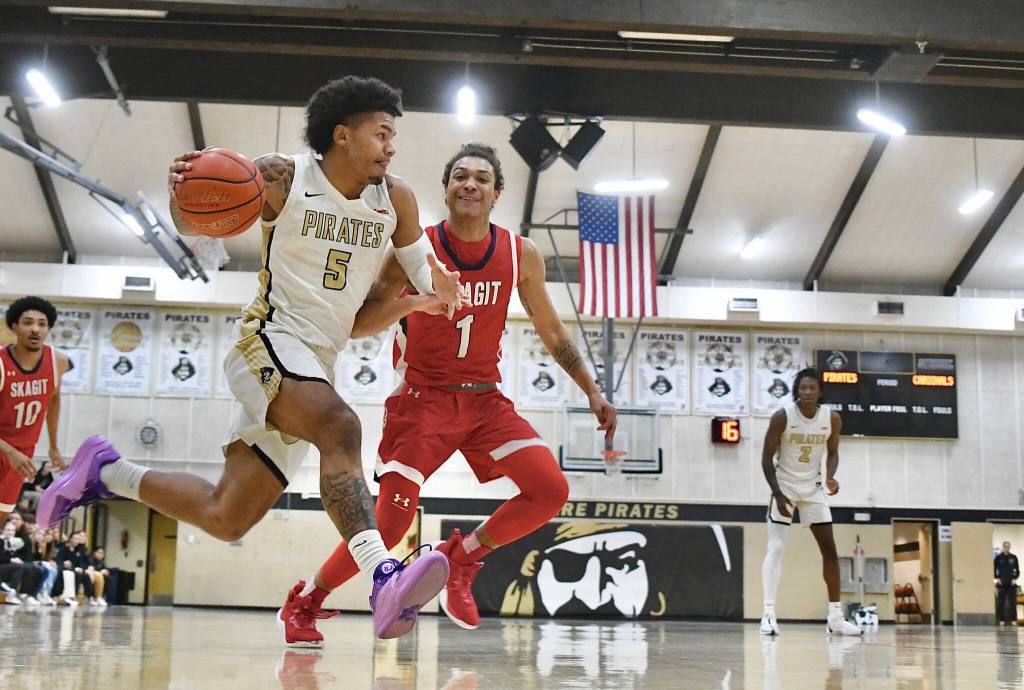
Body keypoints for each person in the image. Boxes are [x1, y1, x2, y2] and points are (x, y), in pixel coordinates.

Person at [39, 75, 463, 640]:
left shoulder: (397, 199)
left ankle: (106, 469)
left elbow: (409, 273)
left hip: (315, 364)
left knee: (226, 515)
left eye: (393, 135)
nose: (392, 146)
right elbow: (195, 221)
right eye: (382, 133)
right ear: (342, 135)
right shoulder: (282, 177)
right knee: (340, 427)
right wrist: (181, 193)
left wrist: (437, 290)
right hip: (266, 341)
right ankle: (384, 576)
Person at [279, 143, 617, 646]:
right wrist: (420, 299)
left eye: (482, 178)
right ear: (446, 188)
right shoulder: (414, 252)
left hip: (485, 401)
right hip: (422, 399)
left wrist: (592, 390)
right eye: (460, 176)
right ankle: (307, 600)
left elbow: (552, 330)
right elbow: (359, 324)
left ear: (497, 193)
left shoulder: (519, 254)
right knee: (390, 526)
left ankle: (464, 557)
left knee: (550, 490)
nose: (470, 184)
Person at [758, 368, 861, 636]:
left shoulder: (832, 419)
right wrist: (778, 494)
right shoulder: (783, 417)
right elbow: (766, 460)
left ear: (820, 392)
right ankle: (768, 614)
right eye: (802, 388)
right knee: (777, 546)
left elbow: (834, 452)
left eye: (811, 388)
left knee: (829, 549)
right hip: (785, 486)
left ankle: (835, 617)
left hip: (813, 488)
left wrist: (831, 477)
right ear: (797, 390)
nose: (806, 392)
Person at [0, 296, 69, 524]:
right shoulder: (1, 363)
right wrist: (9, 452)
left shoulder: (56, 361)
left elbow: (54, 398)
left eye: (42, 324)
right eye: (28, 322)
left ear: (48, 329)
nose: (35, 329)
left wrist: (53, 446)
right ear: (14, 327)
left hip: (22, 455)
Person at [55, 530, 94, 606]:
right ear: (70, 539)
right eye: (75, 538)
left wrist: (80, 569)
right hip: (64, 568)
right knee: (75, 575)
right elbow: (59, 560)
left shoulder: (77, 550)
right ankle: (70, 597)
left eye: (78, 539)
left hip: (74, 569)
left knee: (86, 576)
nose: (77, 540)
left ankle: (89, 597)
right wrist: (64, 563)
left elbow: (79, 562)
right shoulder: (64, 548)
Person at [994, 541, 1019, 625]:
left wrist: (1015, 578)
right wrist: (997, 578)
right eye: (1005, 546)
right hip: (1001, 584)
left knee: (1013, 602)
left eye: (1008, 546)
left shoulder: (1013, 557)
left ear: (1009, 547)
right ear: (1003, 547)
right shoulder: (998, 558)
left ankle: (1013, 619)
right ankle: (1001, 619)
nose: (1006, 548)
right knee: (1001, 602)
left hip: (1011, 584)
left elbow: (1017, 570)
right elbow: (994, 569)